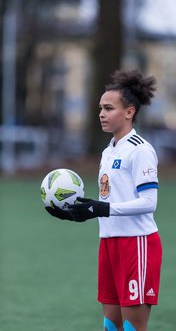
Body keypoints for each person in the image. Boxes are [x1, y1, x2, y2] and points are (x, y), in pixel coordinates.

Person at [46, 69, 163, 331]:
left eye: (109, 108)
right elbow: (109, 199)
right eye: (100, 108)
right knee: (111, 326)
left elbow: (149, 202)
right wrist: (77, 212)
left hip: (137, 244)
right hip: (109, 245)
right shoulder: (108, 151)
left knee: (133, 329)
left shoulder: (140, 150)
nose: (101, 113)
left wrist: (102, 208)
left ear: (130, 112)